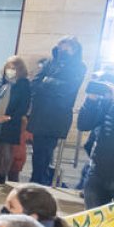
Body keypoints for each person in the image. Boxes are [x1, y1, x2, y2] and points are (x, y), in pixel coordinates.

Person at [26, 37, 86, 186]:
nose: (62, 51)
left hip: (57, 115)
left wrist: (46, 82)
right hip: (41, 113)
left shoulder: (78, 66)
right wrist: (49, 85)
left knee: (47, 149)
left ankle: (39, 179)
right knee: (38, 149)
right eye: (60, 48)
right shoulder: (50, 62)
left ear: (74, 49)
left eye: (65, 49)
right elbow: (35, 83)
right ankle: (36, 178)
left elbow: (68, 88)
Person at [76, 71, 114, 208]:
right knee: (94, 223)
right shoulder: (106, 104)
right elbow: (84, 124)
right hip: (98, 173)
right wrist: (91, 101)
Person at [0, 57, 31, 185]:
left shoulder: (24, 84)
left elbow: (23, 106)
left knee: (5, 149)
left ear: (19, 70)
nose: (10, 70)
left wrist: (8, 118)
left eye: (13, 68)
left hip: (10, 122)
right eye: (8, 67)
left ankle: (2, 175)